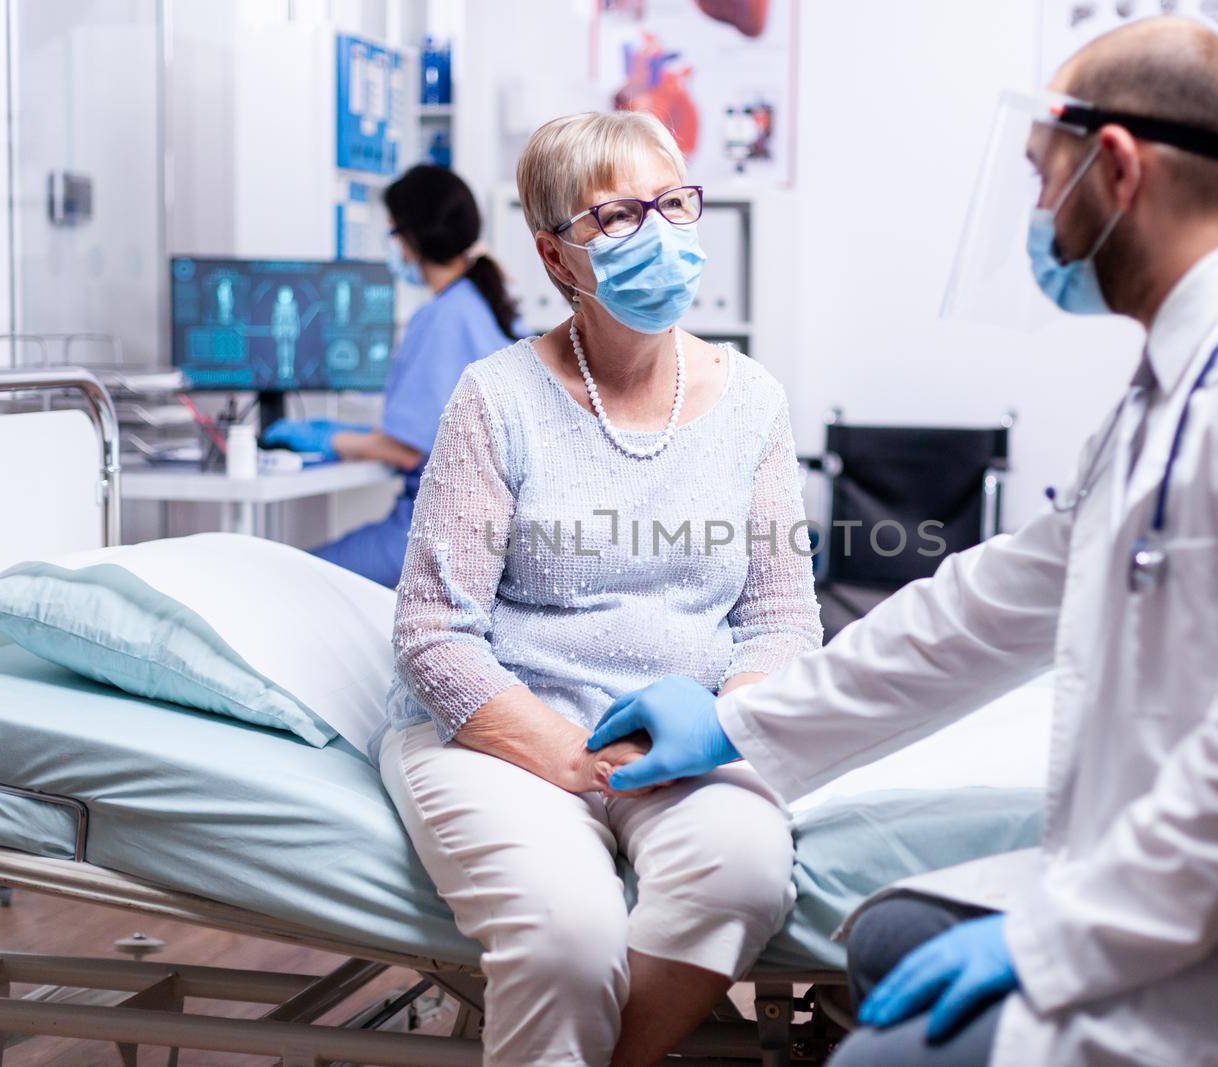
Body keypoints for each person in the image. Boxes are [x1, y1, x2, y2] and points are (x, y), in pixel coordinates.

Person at [585, 17, 1218, 1067]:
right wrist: (740, 724)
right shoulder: (1177, 389)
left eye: (1041, 178)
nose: (1034, 216)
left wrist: (1062, 934)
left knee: (886, 1054)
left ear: (1114, 168)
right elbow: (984, 610)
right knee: (890, 934)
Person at [374, 111, 822, 1067]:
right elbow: (432, 631)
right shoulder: (495, 398)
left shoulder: (753, 403)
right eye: (618, 217)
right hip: (507, 735)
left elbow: (782, 618)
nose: (658, 232)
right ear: (556, 255)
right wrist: (572, 755)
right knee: (568, 938)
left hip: (685, 741)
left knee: (742, 872)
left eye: (672, 204)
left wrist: (728, 725)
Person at [263, 165, 519, 587]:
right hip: (481, 530)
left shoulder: (442, 318)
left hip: (440, 532)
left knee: (290, 579)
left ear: (410, 240)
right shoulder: (484, 304)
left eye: (393, 233)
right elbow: (433, 430)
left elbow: (405, 449)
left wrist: (328, 439)